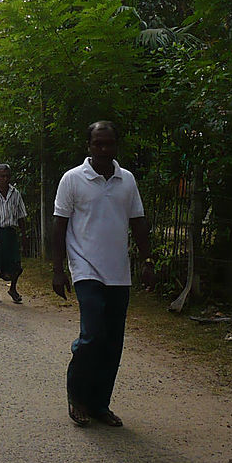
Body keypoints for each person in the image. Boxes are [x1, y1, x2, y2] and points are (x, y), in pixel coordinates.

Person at [52, 121, 151, 428]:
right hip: (85, 269)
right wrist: (58, 270)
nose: (105, 149)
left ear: (116, 145)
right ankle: (77, 397)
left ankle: (99, 404)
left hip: (119, 272)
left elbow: (138, 222)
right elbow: (59, 226)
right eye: (99, 144)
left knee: (112, 342)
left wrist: (148, 260)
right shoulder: (72, 179)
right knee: (92, 335)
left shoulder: (127, 180)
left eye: (109, 144)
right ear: (89, 146)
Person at [0, 164, 28, 304]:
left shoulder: (15, 193)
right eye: (2, 176)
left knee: (16, 264)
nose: (5, 179)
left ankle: (13, 289)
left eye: (7, 176)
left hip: (10, 232)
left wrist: (23, 235)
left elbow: (21, 215)